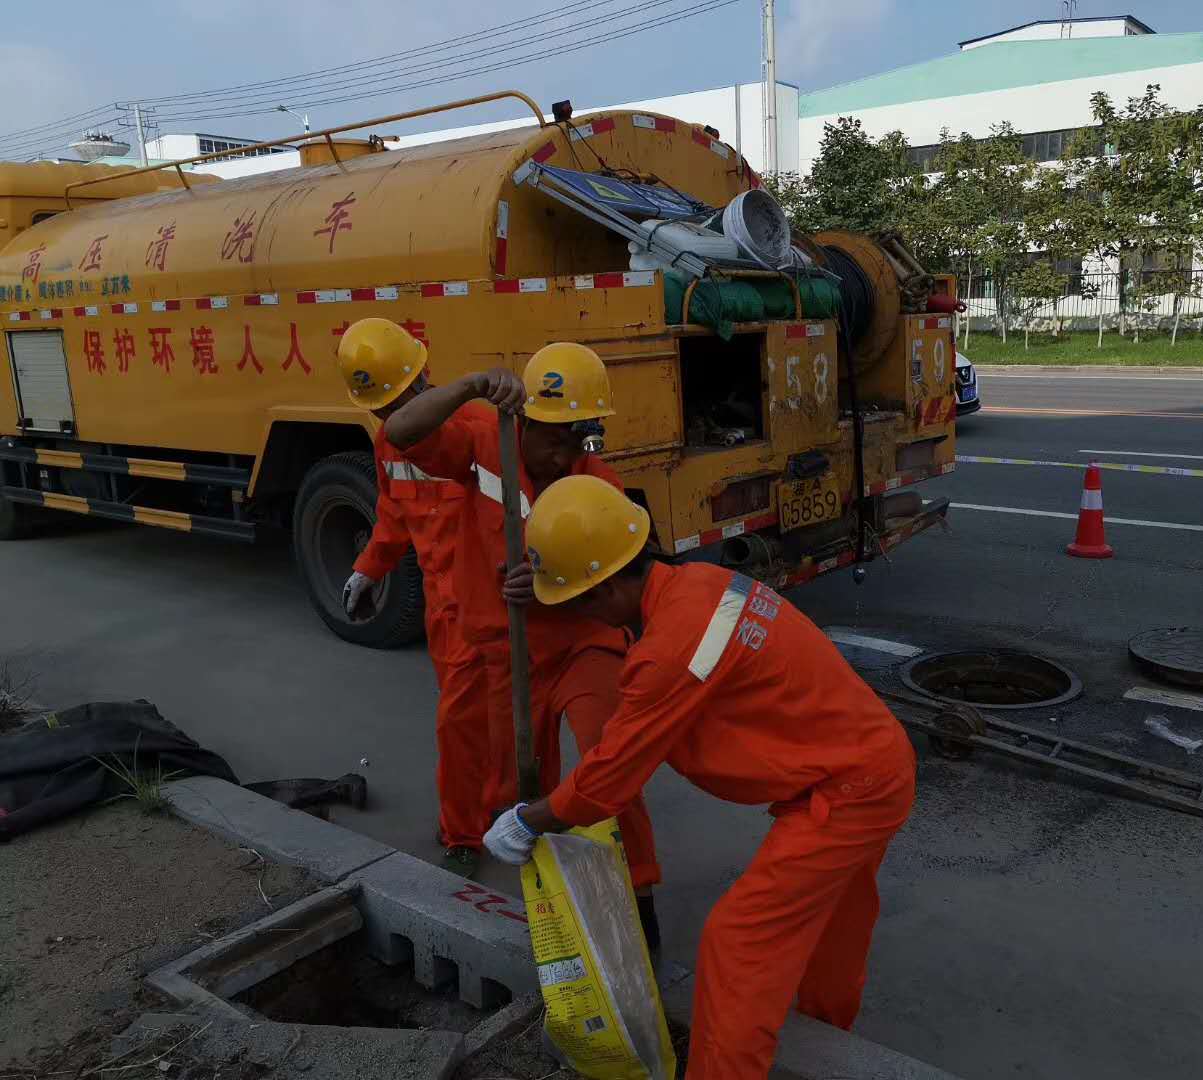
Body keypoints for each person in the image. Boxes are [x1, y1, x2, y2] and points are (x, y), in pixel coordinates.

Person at [483, 476, 917, 1080]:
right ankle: (824, 1030)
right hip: (871, 759)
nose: (579, 618)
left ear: (608, 590)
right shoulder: (698, 584)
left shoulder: (666, 655)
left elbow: (607, 780)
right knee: (833, 916)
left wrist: (528, 820)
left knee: (738, 945)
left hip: (846, 792)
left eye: (578, 603)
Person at [384, 341, 662, 939]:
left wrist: (545, 586)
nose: (563, 454)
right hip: (508, 651)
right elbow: (401, 431)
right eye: (552, 436)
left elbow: (623, 582)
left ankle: (639, 891)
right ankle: (543, 890)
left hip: (581, 643)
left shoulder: (597, 481)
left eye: (576, 435)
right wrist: (469, 387)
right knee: (517, 784)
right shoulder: (483, 446)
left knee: (606, 752)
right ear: (525, 419)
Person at [336, 318, 525, 854]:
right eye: (381, 411)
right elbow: (394, 512)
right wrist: (370, 567)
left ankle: (467, 833)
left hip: (484, 603)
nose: (390, 421)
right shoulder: (387, 442)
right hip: (442, 610)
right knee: (469, 722)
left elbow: (513, 515)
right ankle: (491, 813)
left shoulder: (476, 429)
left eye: (395, 405)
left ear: (423, 382)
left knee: (470, 724)